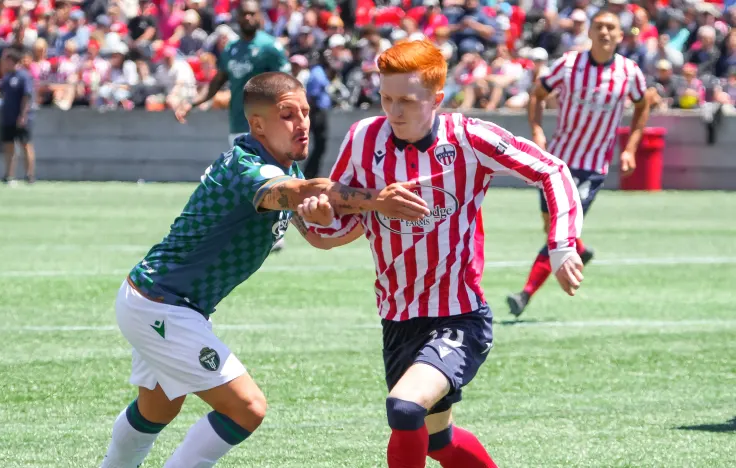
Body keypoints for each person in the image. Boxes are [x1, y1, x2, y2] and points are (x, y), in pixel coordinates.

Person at [99, 71, 429, 468]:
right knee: (247, 408)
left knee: (157, 410)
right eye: (288, 114)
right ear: (257, 124)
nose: (303, 122)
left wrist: (359, 216)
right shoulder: (248, 168)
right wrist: (376, 200)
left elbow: (320, 234)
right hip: (160, 304)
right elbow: (301, 193)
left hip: (159, 302)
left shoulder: (285, 171)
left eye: (306, 112)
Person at [299, 40, 584, 468]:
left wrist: (562, 244)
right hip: (397, 318)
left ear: (437, 98)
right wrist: (319, 214)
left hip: (459, 316)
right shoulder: (362, 137)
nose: (394, 112)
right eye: (386, 98)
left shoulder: (468, 137)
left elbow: (552, 169)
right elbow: (345, 220)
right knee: (438, 441)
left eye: (407, 101)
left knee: (405, 408)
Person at [506, 9, 653, 317]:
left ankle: (524, 295)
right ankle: (581, 251)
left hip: (592, 167)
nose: (604, 32)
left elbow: (643, 105)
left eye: (611, 28)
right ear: (589, 32)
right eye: (599, 26)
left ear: (620, 35)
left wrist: (630, 149)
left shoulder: (629, 71)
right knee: (551, 225)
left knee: (559, 233)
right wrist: (536, 129)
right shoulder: (569, 64)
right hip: (556, 163)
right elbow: (537, 93)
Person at [175, 0, 290, 251]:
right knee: (248, 179)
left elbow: (287, 85)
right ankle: (256, 231)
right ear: (237, 18)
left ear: (259, 17)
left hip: (265, 125)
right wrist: (192, 103)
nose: (248, 18)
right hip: (238, 122)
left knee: (269, 175)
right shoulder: (231, 50)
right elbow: (217, 81)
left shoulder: (270, 47)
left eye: (252, 14)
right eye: (244, 14)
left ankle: (275, 233)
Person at [0, 47, 36, 184]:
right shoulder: (7, 77)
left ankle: (29, 175)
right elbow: (2, 95)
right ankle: (9, 174)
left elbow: (27, 96)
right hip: (8, 116)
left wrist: (23, 115)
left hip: (20, 117)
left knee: (26, 145)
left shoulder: (24, 76)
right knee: (8, 146)